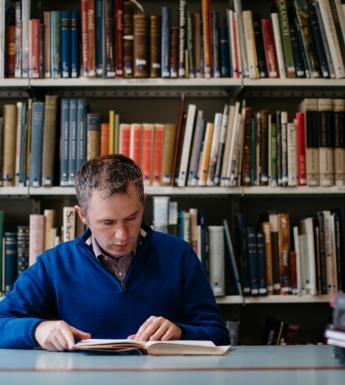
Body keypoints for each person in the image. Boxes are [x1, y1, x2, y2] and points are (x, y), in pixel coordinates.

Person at [0, 154, 230, 351]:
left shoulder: (179, 256)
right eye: (107, 222)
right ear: (82, 216)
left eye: (132, 218)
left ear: (143, 203)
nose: (122, 235)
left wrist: (180, 332)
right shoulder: (54, 265)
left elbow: (218, 335)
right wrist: (37, 329)